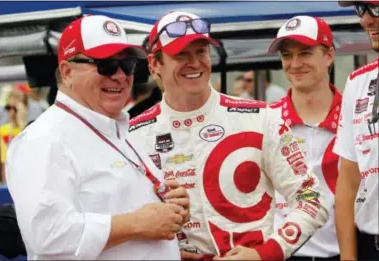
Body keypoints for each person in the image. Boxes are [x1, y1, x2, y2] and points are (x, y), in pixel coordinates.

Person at [128, 10, 329, 260]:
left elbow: (310, 197)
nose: (195, 62)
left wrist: (267, 253)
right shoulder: (132, 136)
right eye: (181, 54)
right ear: (154, 65)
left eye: (201, 52)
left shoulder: (261, 117)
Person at [5, 15, 190, 260]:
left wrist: (170, 208)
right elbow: (47, 234)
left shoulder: (118, 129)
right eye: (106, 65)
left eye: (128, 65)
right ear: (67, 71)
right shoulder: (44, 138)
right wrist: (137, 223)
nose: (120, 76)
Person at [268, 15, 341, 260]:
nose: (295, 63)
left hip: (349, 252)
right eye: (287, 56)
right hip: (283, 254)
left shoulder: (357, 116)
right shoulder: (265, 120)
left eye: (305, 53)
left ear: (328, 56)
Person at [334, 1, 379, 260]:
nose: (366, 20)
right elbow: (348, 183)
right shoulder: (357, 82)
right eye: (360, 10)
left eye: (375, 8)